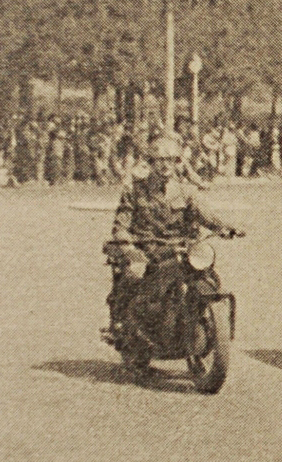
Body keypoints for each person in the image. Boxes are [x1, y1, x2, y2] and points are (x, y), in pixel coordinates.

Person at [103, 133, 241, 335]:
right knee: (133, 281)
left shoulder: (187, 192)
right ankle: (122, 326)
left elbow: (206, 216)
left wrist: (225, 227)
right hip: (149, 251)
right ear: (150, 163)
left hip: (182, 249)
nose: (165, 166)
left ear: (177, 163)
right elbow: (121, 225)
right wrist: (128, 247)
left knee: (210, 277)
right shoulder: (134, 191)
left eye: (171, 160)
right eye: (159, 161)